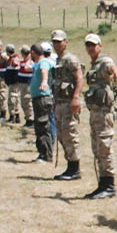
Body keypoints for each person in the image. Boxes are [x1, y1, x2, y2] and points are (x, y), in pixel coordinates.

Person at [82, 33, 117, 198]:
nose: (91, 48)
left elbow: (111, 68)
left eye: (93, 45)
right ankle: (102, 183)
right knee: (97, 147)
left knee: (105, 146)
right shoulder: (93, 64)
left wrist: (115, 72)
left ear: (100, 46)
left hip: (104, 113)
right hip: (95, 112)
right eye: (88, 45)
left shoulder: (105, 61)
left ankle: (109, 185)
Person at [50, 30, 86, 180]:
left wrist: (76, 98)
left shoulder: (70, 59)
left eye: (60, 41)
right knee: (62, 135)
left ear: (66, 42)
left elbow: (79, 78)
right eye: (55, 42)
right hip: (59, 102)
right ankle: (69, 165)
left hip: (68, 103)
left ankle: (74, 168)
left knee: (70, 134)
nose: (57, 45)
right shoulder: (58, 60)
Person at [28, 42, 55, 162]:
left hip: (42, 98)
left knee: (42, 127)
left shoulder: (43, 62)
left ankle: (46, 155)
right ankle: (43, 153)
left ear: (33, 53)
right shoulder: (40, 62)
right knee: (40, 127)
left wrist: (44, 82)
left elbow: (45, 71)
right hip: (39, 98)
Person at [14, 46, 34, 126]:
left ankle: (30, 119)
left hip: (27, 84)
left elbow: (28, 69)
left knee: (27, 101)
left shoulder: (30, 62)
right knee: (23, 101)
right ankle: (27, 118)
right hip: (22, 84)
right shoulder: (22, 61)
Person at [3, 44, 21, 122]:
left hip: (14, 82)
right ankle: (16, 116)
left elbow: (16, 64)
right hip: (11, 82)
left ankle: (12, 115)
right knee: (15, 99)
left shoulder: (15, 58)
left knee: (12, 99)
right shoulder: (10, 58)